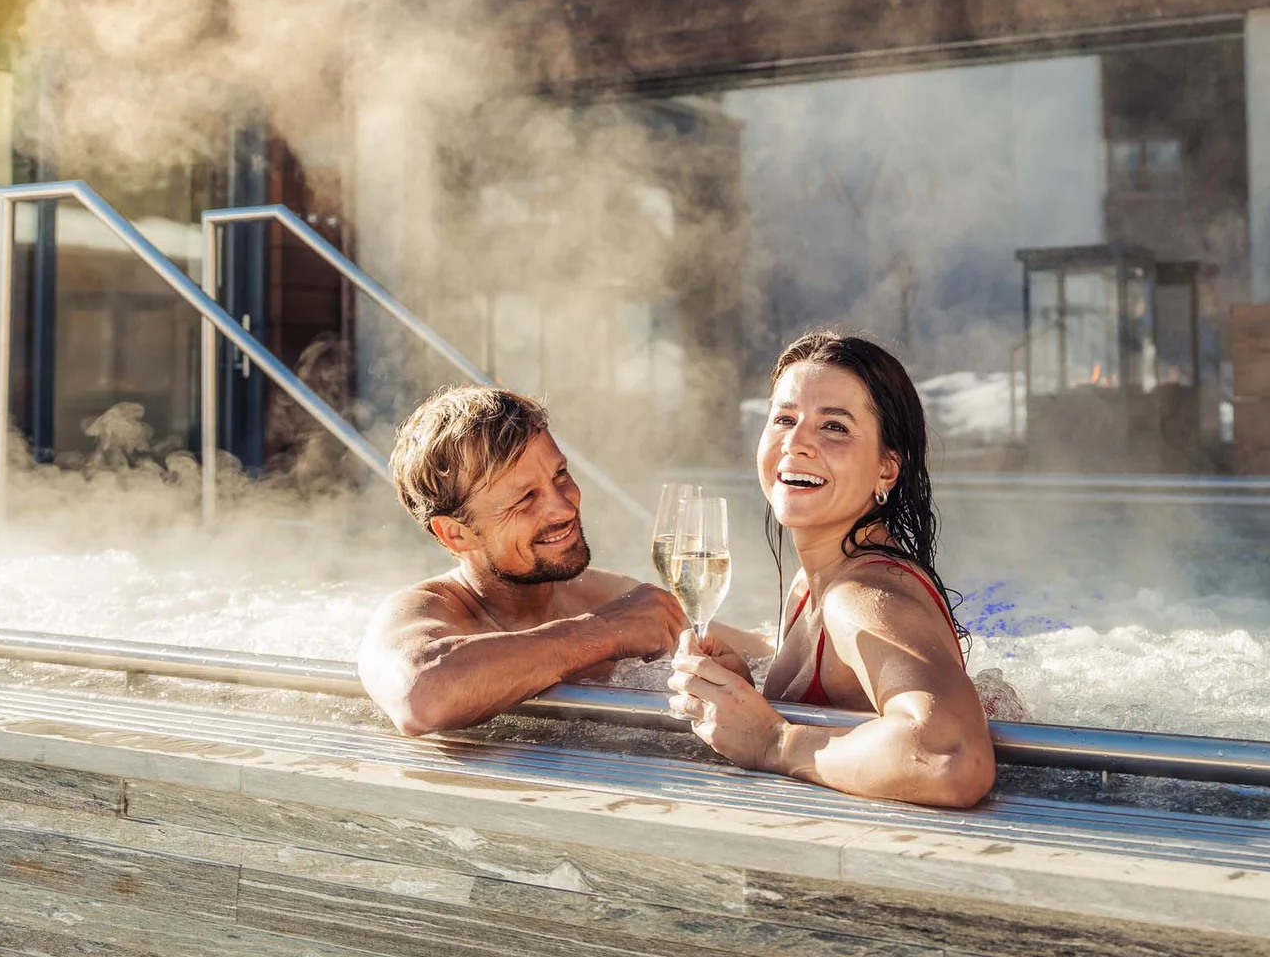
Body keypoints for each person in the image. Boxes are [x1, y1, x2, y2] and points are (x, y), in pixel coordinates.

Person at [667, 330, 997, 808]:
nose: (796, 443)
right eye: (784, 418)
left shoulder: (859, 595)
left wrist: (772, 742)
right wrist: (746, 690)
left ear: (887, 469)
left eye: (834, 427)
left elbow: (953, 757)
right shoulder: (813, 583)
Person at [358, 386, 756, 735]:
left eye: (560, 474)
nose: (563, 507)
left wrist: (738, 678)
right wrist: (603, 633)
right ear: (455, 534)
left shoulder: (603, 594)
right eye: (524, 499)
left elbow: (763, 653)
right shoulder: (423, 613)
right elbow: (421, 697)